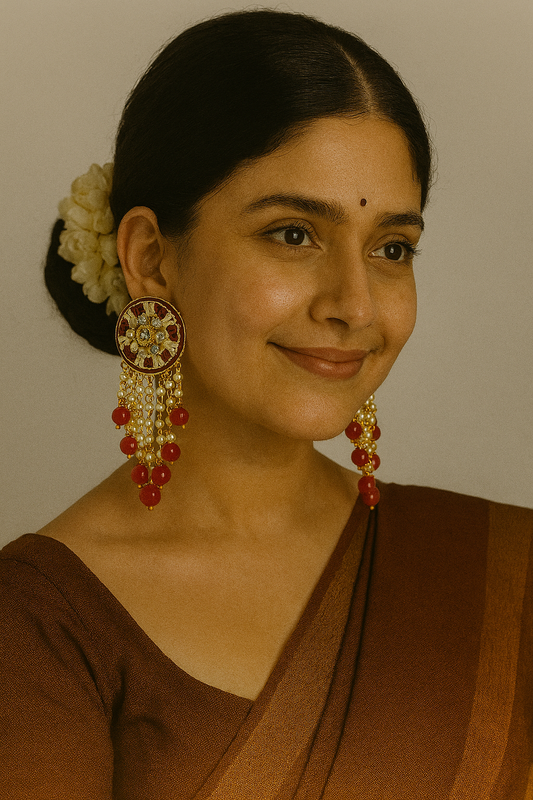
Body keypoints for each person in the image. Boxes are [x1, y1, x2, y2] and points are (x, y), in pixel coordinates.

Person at [1, 9, 531, 799]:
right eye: (292, 234)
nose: (354, 304)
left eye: (391, 249)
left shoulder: (502, 573)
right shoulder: (40, 626)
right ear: (150, 258)